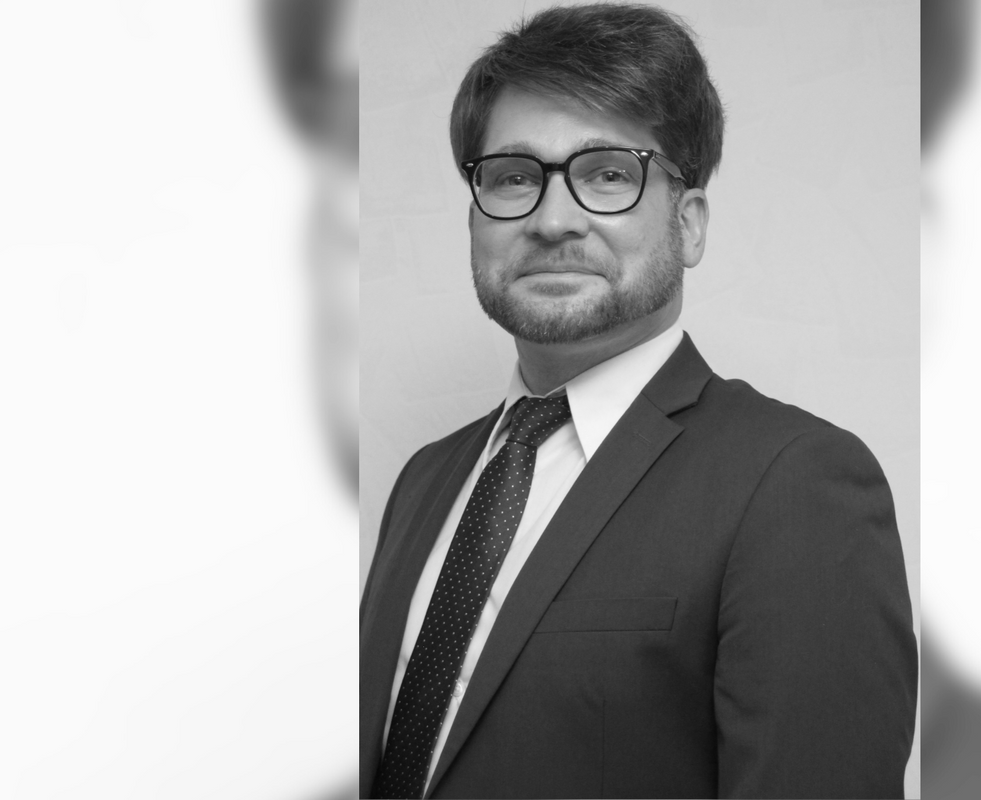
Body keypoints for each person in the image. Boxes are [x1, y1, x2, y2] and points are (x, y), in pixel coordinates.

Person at [359, 4, 916, 798]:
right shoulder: (424, 481)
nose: (553, 220)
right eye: (513, 177)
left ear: (688, 225)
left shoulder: (796, 485)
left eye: (608, 175)